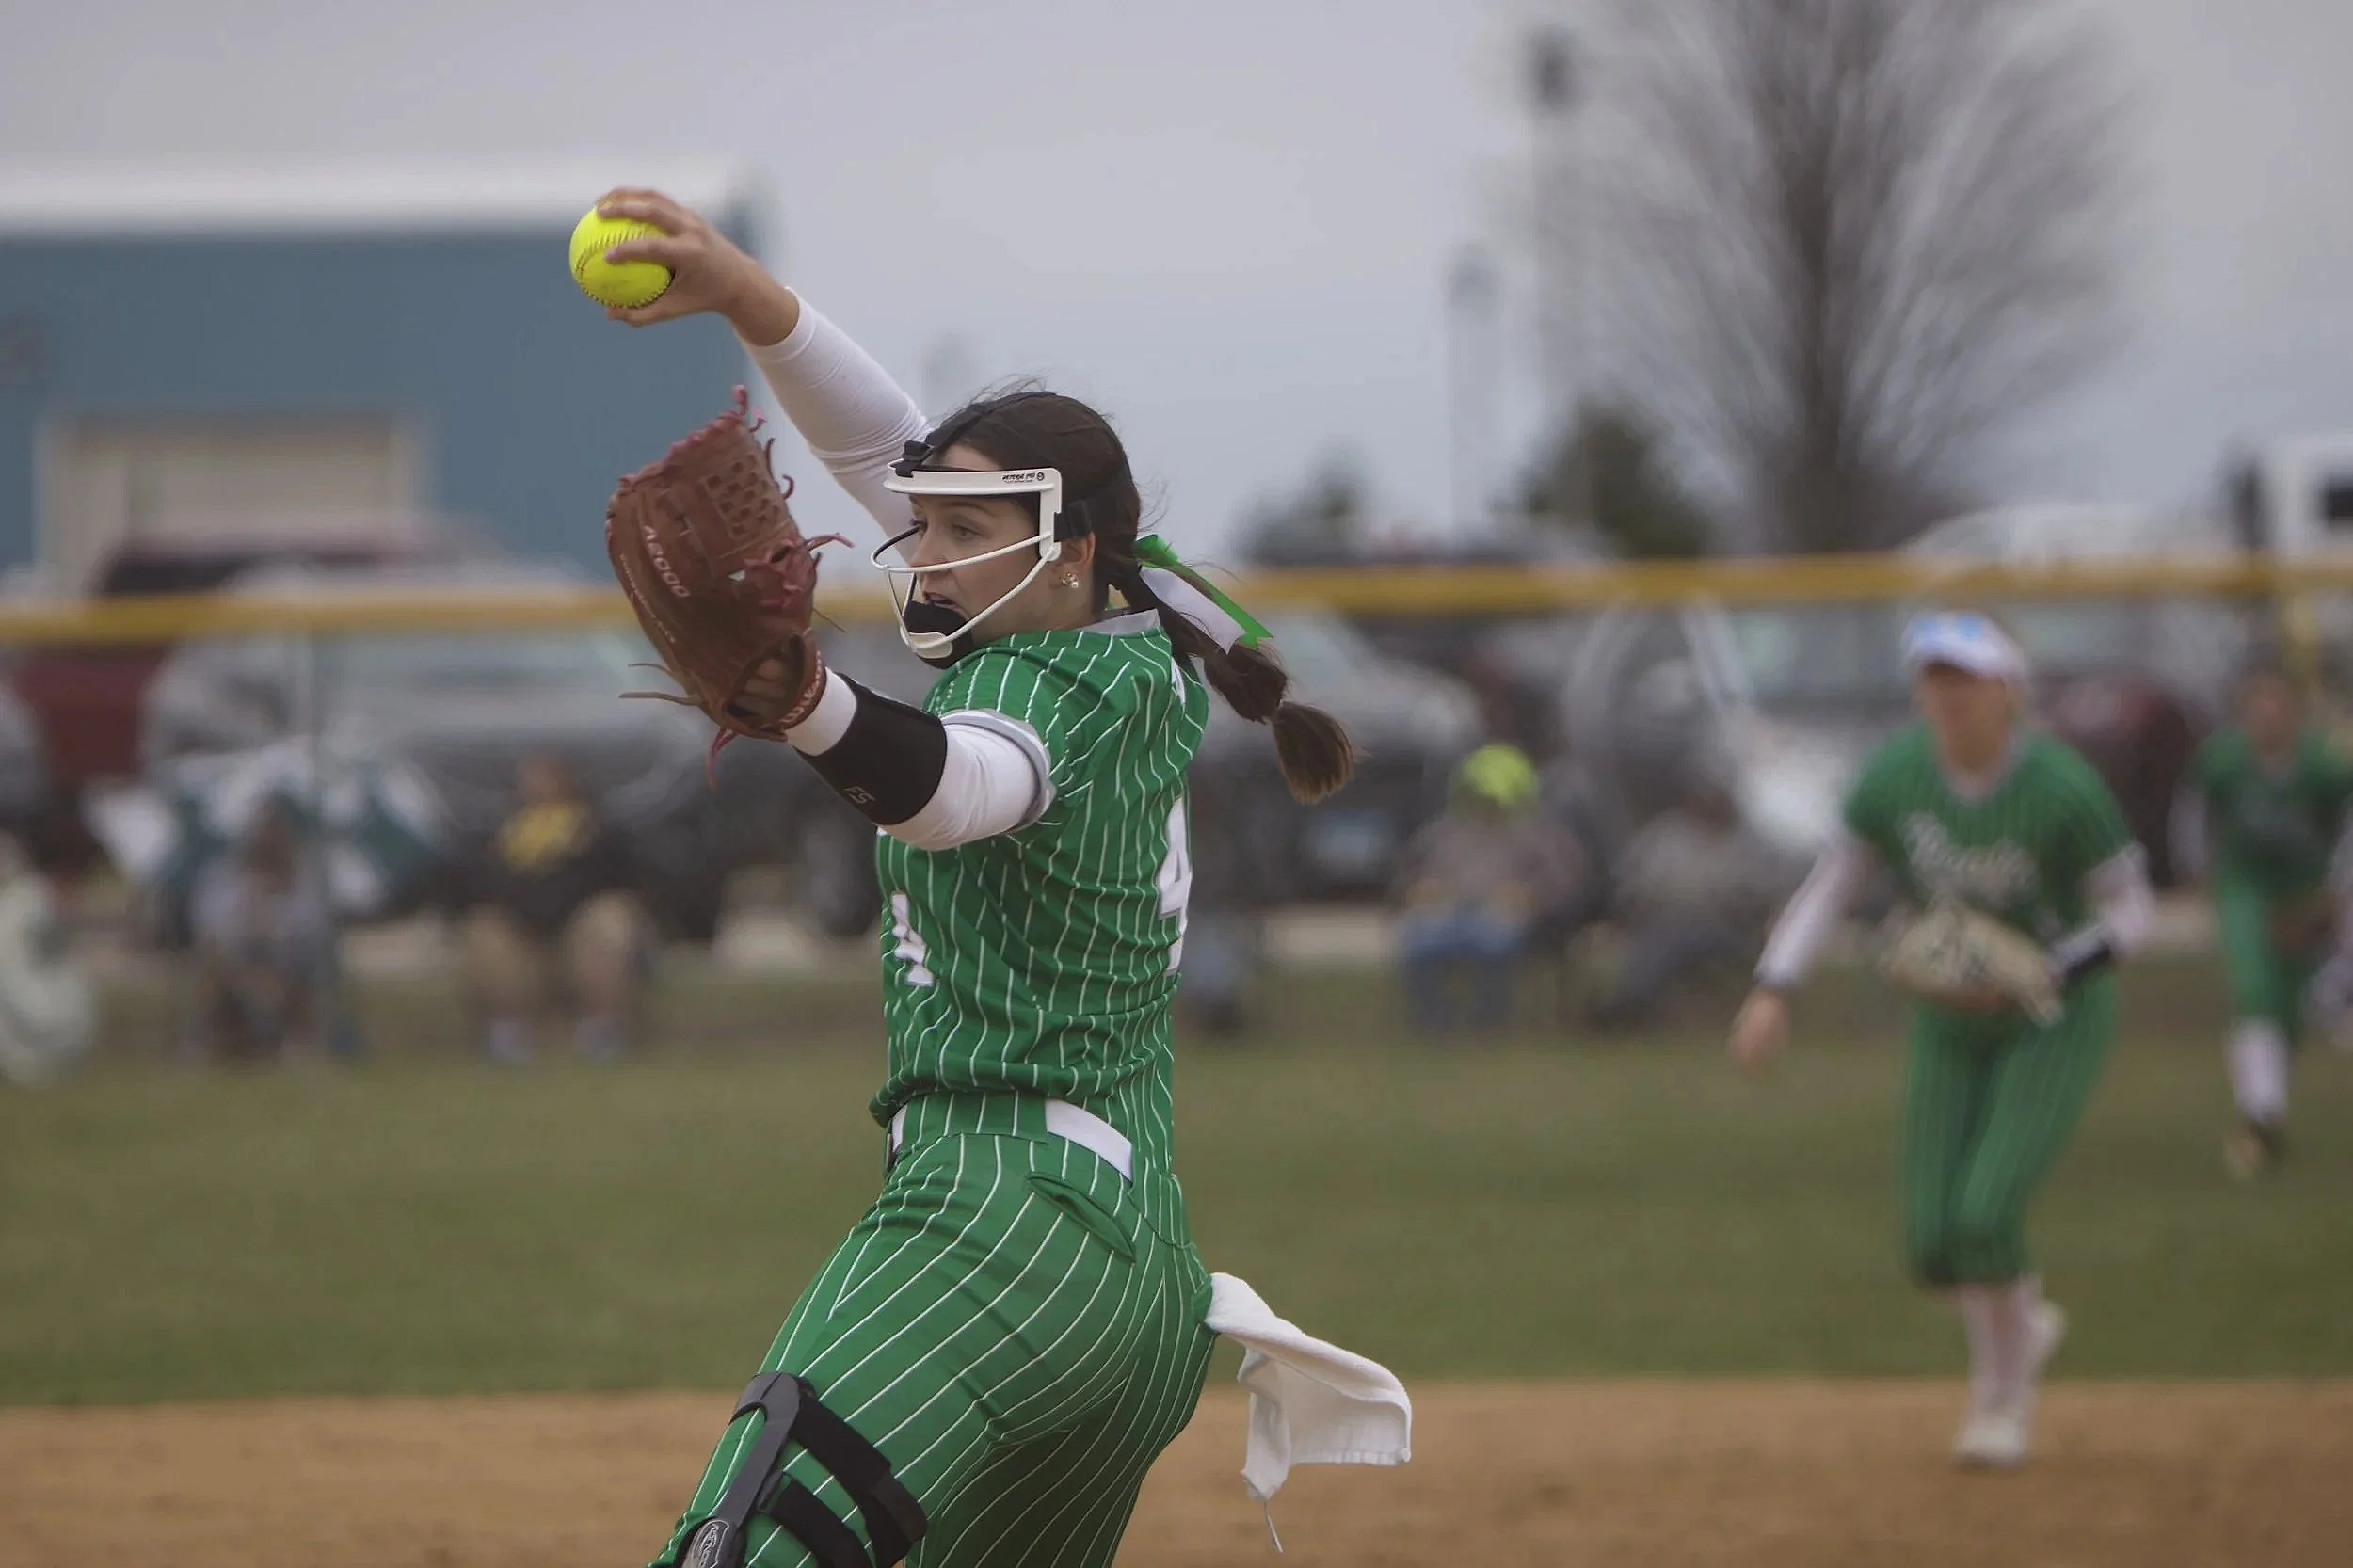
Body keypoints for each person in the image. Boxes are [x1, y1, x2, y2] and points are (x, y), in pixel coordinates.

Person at [593, 187, 1396, 1568]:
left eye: (968, 531)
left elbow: (962, 789)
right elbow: (870, 435)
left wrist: (811, 710)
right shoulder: (1126, 638)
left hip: (992, 1229)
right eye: (936, 523)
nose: (930, 552)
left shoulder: (1052, 677)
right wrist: (745, 295)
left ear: (1068, 547)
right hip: (1136, 1282)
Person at [1726, 609, 2153, 1469]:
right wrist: (1775, 988)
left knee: (1985, 1213)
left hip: (2049, 1021)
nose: (1947, 695)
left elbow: (2132, 908)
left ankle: (2002, 1399)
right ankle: (2018, 1320)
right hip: (1951, 1020)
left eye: (1965, 677)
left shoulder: (2060, 787)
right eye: (1933, 677)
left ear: (2008, 692)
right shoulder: (1895, 779)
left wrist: (2053, 970)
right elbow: (1829, 888)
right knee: (1932, 1242)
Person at [2176, 656, 2353, 1177]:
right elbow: (2191, 813)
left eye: (2277, 703)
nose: (2268, 715)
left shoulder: (2325, 766)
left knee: (2288, 1003)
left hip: (2306, 886)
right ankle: (2260, 1115)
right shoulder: (2224, 761)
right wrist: (2197, 873)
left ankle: (2267, 1100)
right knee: (2254, 988)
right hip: (2245, 884)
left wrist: (2333, 894)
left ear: (2295, 711)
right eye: (2257, 704)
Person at [460, 753, 648, 1064]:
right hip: (521, 928)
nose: (537, 786)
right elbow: (479, 883)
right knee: (485, 929)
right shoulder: (502, 834)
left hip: (578, 926)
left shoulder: (596, 831)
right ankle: (507, 1032)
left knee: (611, 920)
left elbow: (617, 877)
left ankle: (603, 1029)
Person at [1391, 743, 1587, 1036]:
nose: (1484, 805)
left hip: (1502, 915)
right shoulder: (1443, 831)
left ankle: (1489, 1023)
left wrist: (1528, 895)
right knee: (1420, 943)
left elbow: (1565, 881)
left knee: (1491, 942)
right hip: (1445, 911)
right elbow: (1410, 873)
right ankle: (1433, 1024)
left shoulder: (1539, 834)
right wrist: (1420, 889)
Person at [1587, 772, 1798, 1030]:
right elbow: (1631, 882)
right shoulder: (1666, 835)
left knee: (1674, 935)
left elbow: (1766, 895)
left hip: (1725, 929)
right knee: (1664, 935)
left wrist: (1721, 901)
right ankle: (1631, 999)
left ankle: (1630, 1000)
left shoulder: (1749, 844)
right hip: (1658, 920)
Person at [184, 794, 336, 1062]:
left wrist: (275, 920)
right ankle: (214, 1044)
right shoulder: (224, 877)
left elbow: (313, 929)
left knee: (301, 972)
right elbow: (211, 929)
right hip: (236, 959)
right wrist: (253, 906)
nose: (269, 840)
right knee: (216, 968)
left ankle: (296, 1044)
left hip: (289, 959)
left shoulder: (305, 878)